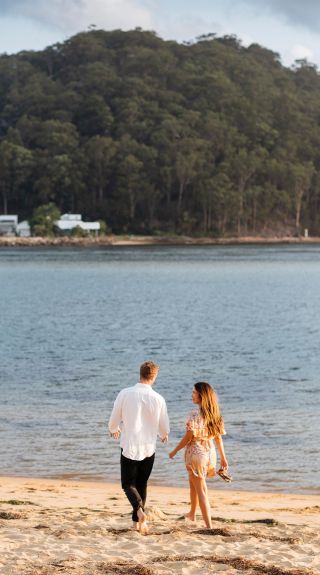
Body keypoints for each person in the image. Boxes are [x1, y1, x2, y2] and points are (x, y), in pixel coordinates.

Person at [108, 361, 170, 534]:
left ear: (140, 373)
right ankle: (137, 522)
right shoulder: (158, 398)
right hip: (149, 447)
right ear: (154, 377)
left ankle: (139, 511)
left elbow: (115, 416)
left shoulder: (125, 393)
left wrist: (114, 429)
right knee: (142, 483)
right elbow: (164, 424)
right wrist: (164, 434)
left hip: (129, 445)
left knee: (128, 484)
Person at [169, 381, 229, 529]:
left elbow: (189, 436)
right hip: (209, 453)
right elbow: (218, 437)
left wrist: (175, 450)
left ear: (201, 396)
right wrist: (223, 458)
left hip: (196, 452)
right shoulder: (216, 415)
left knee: (201, 489)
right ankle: (192, 514)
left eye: (194, 392)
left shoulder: (194, 414)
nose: (192, 394)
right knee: (193, 484)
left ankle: (209, 526)